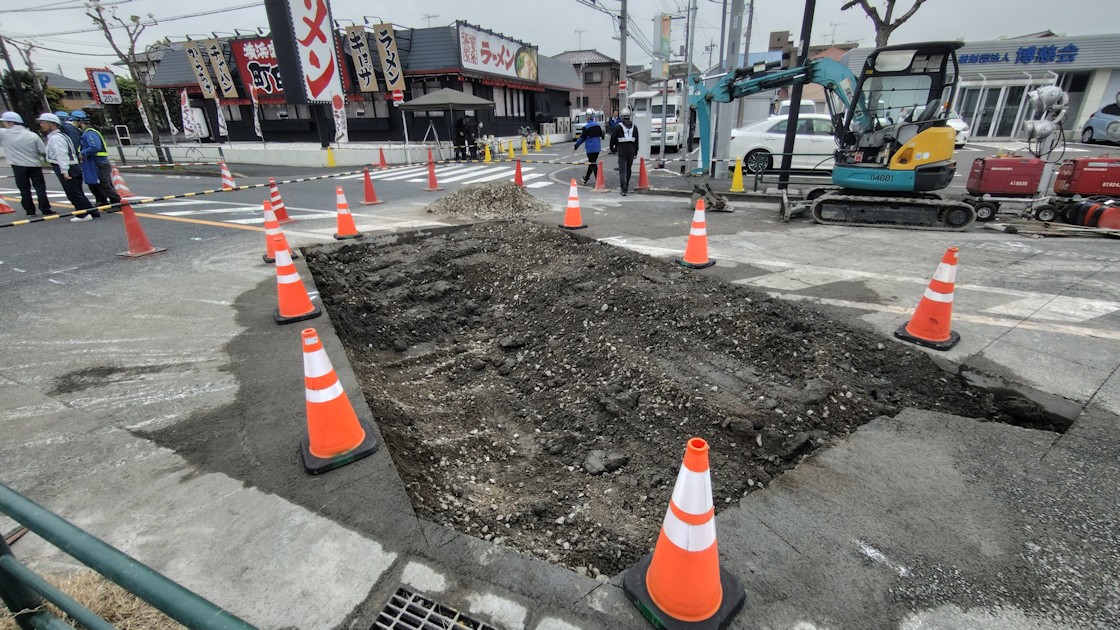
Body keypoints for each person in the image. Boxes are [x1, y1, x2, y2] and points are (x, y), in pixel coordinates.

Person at [38, 113, 98, 221]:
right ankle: (91, 212)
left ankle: (83, 215)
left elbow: (62, 154)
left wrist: (64, 170)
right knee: (77, 192)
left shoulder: (56, 138)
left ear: (52, 124)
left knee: (73, 193)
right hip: (72, 165)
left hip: (67, 166)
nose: (41, 125)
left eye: (43, 122)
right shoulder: (61, 135)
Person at [0, 111, 54, 216]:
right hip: (34, 165)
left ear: (11, 123)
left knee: (24, 188)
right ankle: (45, 208)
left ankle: (29, 210)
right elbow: (42, 150)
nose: (3, 124)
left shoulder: (4, 133)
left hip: (17, 166)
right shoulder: (32, 135)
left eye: (5, 122)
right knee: (40, 187)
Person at [70, 110, 121, 208]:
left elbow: (95, 147)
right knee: (95, 183)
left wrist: (82, 154)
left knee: (104, 184)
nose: (73, 124)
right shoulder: (86, 132)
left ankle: (116, 203)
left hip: (99, 162)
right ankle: (103, 201)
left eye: (74, 122)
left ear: (79, 122)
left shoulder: (89, 133)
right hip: (95, 162)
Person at [609, 108, 639, 196]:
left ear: (622, 116)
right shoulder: (634, 127)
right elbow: (637, 141)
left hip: (622, 151)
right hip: (631, 151)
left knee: (622, 170)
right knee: (628, 169)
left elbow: (613, 139)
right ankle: (627, 184)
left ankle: (623, 188)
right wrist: (636, 152)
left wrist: (612, 148)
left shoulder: (618, 127)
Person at [572, 107, 604, 186]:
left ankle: (598, 181)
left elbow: (581, 138)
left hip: (590, 149)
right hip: (597, 148)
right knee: (592, 163)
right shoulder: (598, 126)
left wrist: (575, 146)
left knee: (593, 164)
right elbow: (600, 134)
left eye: (587, 116)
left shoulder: (586, 128)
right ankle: (586, 178)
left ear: (588, 117)